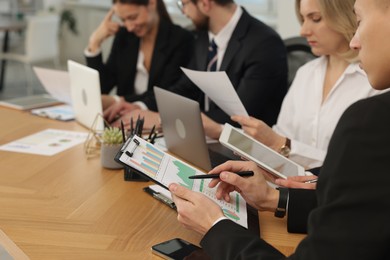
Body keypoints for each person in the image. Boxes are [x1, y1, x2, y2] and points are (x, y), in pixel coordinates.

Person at [169, 0, 390, 258]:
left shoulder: (371, 115)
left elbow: (346, 184)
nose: (354, 40)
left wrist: (215, 227)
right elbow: (359, 204)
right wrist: (272, 196)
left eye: (360, 20)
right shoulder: (307, 73)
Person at [231, 0, 384, 171]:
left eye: (316, 18)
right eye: (303, 19)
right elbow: (281, 135)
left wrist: (282, 145)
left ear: (345, 17)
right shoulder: (306, 73)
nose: (303, 31)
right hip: (288, 188)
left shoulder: (376, 82)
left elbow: (354, 167)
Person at [106, 0, 288, 138]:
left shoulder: (264, 43)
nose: (184, 11)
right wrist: (140, 106)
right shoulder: (202, 36)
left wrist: (163, 119)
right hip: (205, 139)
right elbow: (186, 88)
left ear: (205, 4)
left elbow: (240, 116)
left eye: (183, 4)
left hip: (245, 148)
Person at [85, 0, 194, 111]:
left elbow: (167, 93)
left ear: (152, 3)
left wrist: (117, 100)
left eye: (132, 17)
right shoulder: (125, 36)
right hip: (122, 121)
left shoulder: (180, 39)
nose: (129, 27)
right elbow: (102, 88)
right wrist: (94, 43)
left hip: (157, 121)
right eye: (123, 20)